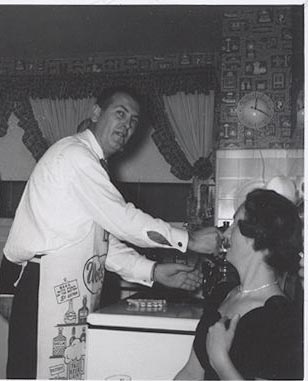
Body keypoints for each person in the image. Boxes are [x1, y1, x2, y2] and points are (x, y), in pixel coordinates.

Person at [0, 86, 221, 380]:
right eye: (120, 113)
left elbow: (101, 243)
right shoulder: (75, 155)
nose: (127, 125)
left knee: (67, 372)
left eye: (133, 120)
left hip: (68, 289)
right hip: (44, 286)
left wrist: (153, 271)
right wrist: (188, 239)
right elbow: (122, 218)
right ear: (95, 113)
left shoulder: (91, 164)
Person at [175, 188, 303, 380]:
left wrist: (220, 360)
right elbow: (190, 374)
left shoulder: (282, 320)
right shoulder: (222, 294)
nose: (226, 233)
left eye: (235, 224)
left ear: (257, 238)